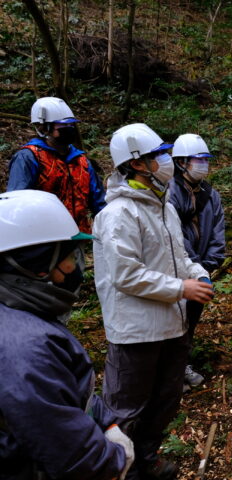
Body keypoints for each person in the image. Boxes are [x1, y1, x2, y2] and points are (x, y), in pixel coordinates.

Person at [93, 123, 214, 479]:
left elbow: (179, 257)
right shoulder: (118, 215)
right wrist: (182, 288)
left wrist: (199, 272)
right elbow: (126, 275)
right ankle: (117, 471)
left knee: (164, 402)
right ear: (136, 164)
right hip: (136, 331)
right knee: (125, 409)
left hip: (171, 325)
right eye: (157, 155)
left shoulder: (164, 207)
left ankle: (145, 462)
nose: (165, 160)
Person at [0, 189, 133, 480]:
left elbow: (63, 389)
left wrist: (106, 421)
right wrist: (114, 460)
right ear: (36, 268)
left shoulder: (24, 315)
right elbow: (68, 450)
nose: (78, 268)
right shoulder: (24, 347)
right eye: (70, 257)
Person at [168, 133, 226, 389]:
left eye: (205, 159)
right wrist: (191, 264)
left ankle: (181, 364)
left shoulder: (210, 194)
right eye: (197, 160)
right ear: (181, 162)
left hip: (202, 267)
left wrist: (211, 261)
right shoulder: (169, 193)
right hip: (178, 268)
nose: (203, 164)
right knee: (174, 319)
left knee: (191, 319)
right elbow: (175, 234)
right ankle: (171, 373)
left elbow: (217, 228)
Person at [7, 97, 106, 233]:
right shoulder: (28, 157)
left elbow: (99, 203)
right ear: (44, 128)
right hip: (42, 238)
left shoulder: (81, 161)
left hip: (77, 237)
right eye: (63, 126)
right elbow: (17, 203)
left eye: (71, 125)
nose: (69, 129)